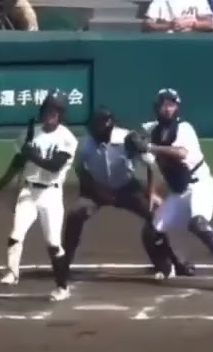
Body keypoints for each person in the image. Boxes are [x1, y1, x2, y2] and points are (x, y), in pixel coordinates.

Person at [61, 108, 194, 281]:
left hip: (127, 188)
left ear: (108, 127)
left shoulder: (127, 139)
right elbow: (80, 169)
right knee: (75, 214)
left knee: (157, 215)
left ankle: (175, 262)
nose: (94, 133)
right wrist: (95, 189)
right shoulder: (87, 143)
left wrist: (152, 194)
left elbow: (151, 166)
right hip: (97, 190)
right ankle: (63, 263)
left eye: (97, 128)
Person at [137, 89, 213, 282]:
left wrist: (150, 147)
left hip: (200, 185)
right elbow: (152, 165)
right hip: (179, 192)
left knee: (198, 224)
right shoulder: (154, 131)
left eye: (172, 105)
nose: (168, 109)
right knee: (150, 231)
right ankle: (167, 268)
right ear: (157, 107)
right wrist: (152, 192)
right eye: (164, 105)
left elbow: (181, 153)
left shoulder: (184, 128)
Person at [0, 93, 79, 301]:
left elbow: (55, 165)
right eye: (48, 110)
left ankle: (62, 287)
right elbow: (19, 161)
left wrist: (33, 155)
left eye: (55, 111)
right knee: (16, 234)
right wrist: (4, 180)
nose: (51, 114)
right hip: (28, 191)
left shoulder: (67, 139)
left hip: (51, 193)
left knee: (53, 244)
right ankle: (12, 273)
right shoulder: (29, 134)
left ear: (61, 114)